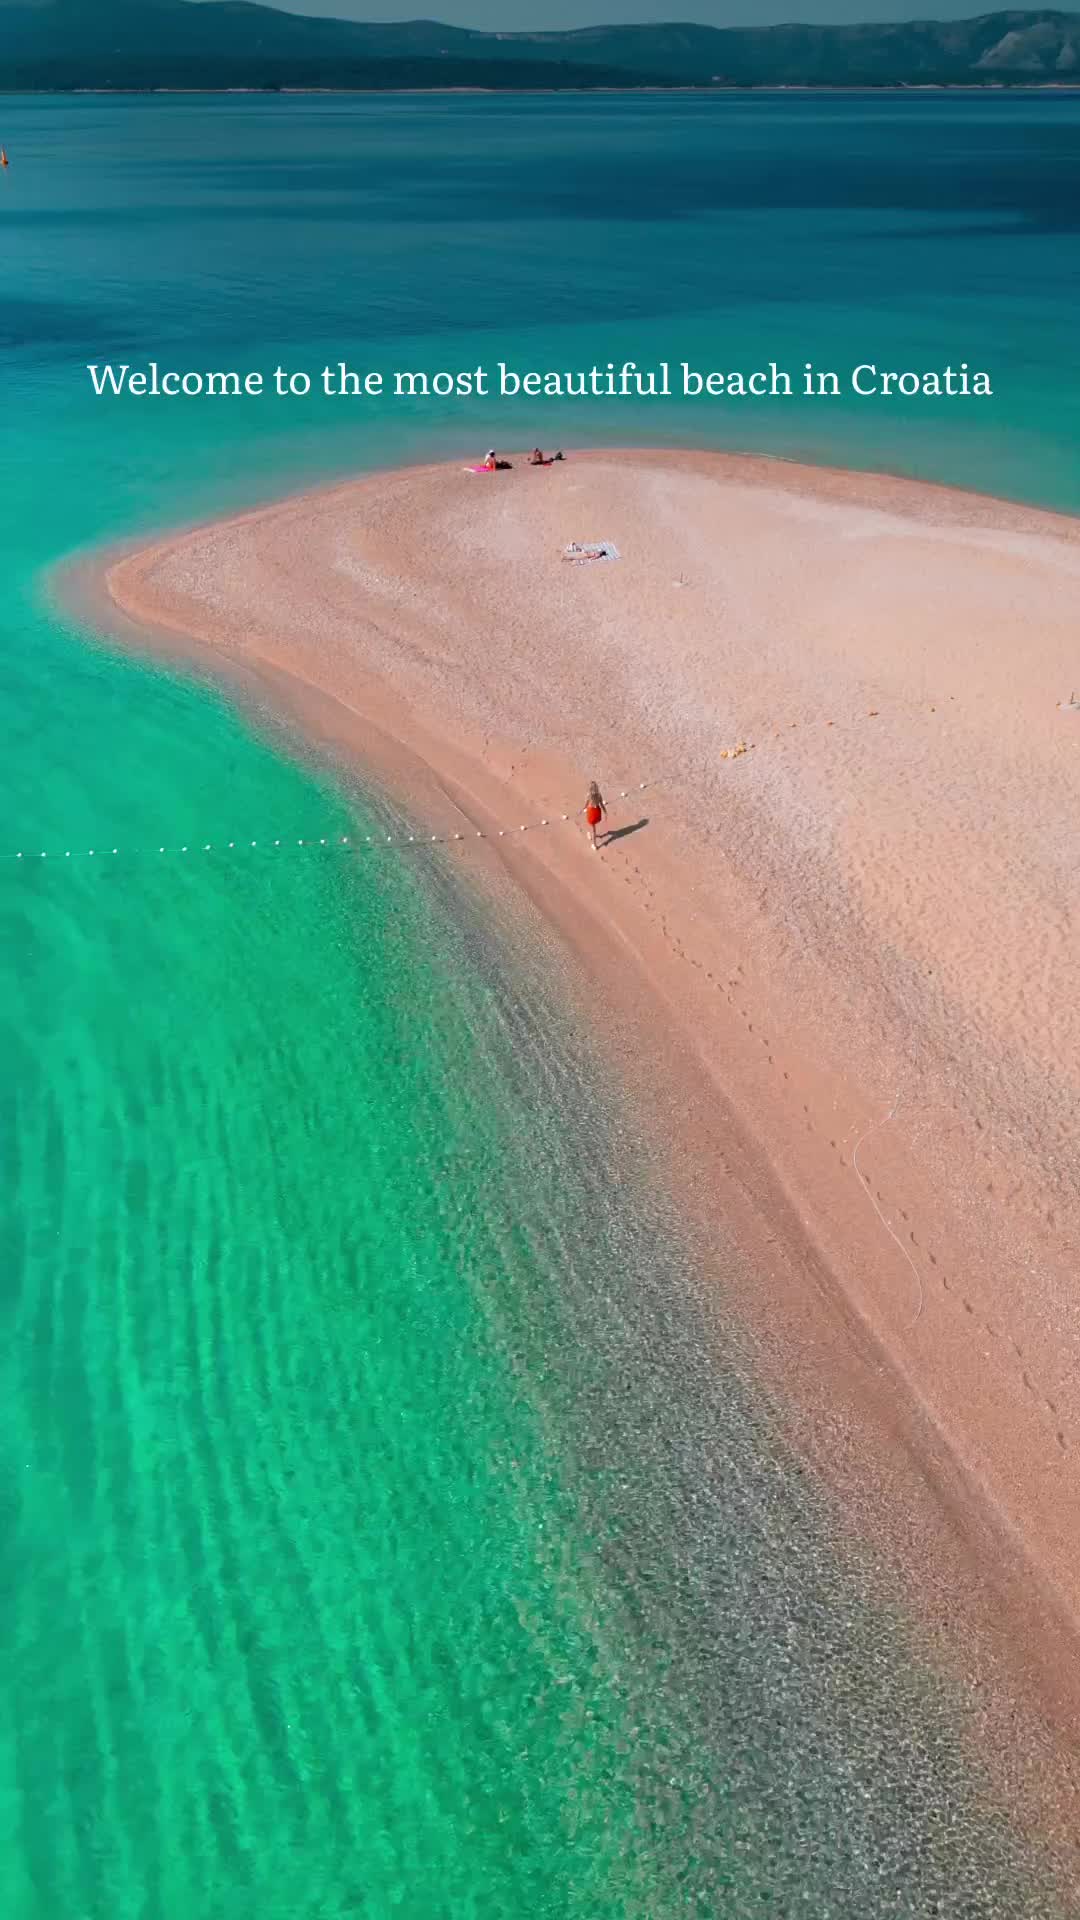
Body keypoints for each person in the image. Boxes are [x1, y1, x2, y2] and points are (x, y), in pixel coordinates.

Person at [584, 781, 607, 849]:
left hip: (591, 813)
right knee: (593, 826)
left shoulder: (588, 795)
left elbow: (585, 805)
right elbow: (602, 805)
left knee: (593, 829)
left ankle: (595, 845)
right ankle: (594, 834)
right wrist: (605, 812)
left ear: (590, 789)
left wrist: (583, 808)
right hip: (597, 812)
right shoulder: (599, 795)